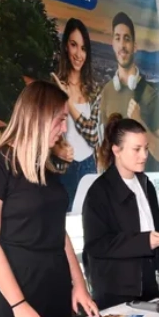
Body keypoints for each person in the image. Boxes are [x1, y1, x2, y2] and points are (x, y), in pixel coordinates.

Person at [0, 81, 100, 317]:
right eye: (60, 119)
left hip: (54, 293)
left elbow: (59, 233)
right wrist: (18, 304)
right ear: (39, 117)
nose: (64, 128)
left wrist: (79, 285)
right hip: (14, 298)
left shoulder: (47, 170)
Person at [81, 113, 159, 309]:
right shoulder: (99, 192)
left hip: (148, 283)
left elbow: (155, 226)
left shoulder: (146, 184)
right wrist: (143, 241)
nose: (144, 155)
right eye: (136, 149)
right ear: (117, 150)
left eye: (146, 148)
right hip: (115, 291)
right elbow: (97, 245)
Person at [98, 12, 159, 172]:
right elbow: (104, 146)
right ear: (112, 44)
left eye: (127, 39)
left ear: (134, 46)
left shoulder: (149, 94)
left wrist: (140, 123)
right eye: (117, 38)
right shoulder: (107, 91)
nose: (122, 45)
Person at [51, 18, 101, 211]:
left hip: (88, 165)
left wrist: (68, 101)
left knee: (91, 220)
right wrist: (56, 150)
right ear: (65, 46)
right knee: (63, 221)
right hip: (63, 166)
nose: (79, 54)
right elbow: (43, 131)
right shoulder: (54, 84)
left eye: (83, 48)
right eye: (74, 45)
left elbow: (93, 135)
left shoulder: (94, 89)